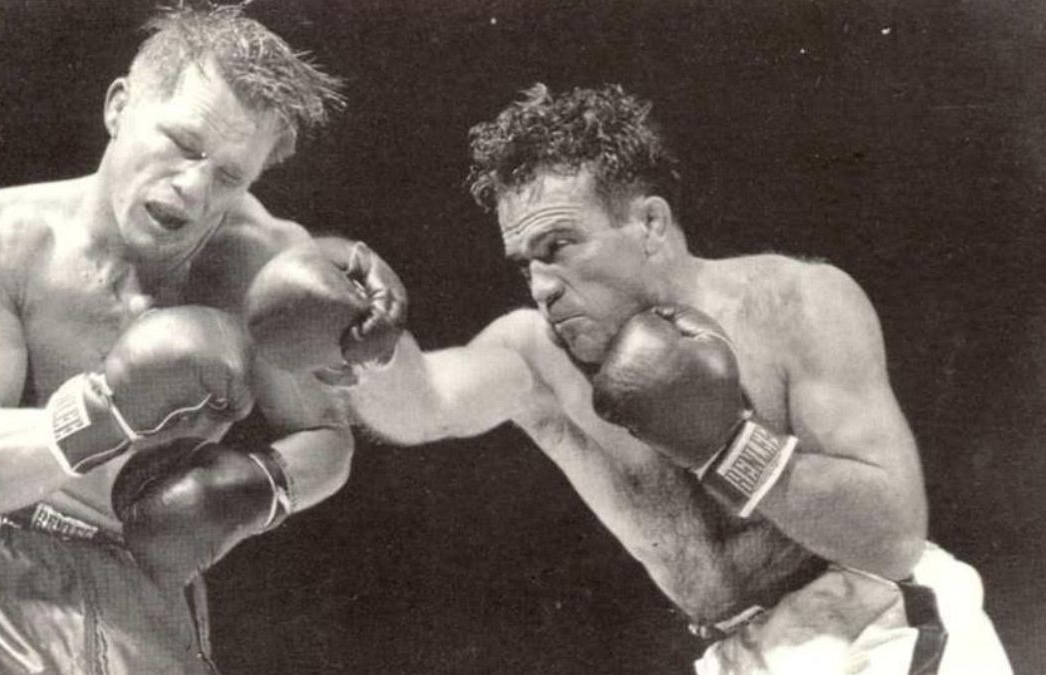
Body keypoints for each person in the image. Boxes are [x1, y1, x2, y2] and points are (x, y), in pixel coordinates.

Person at [342, 84, 1013, 674]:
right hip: (735, 652)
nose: (542, 286)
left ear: (651, 223)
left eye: (559, 247)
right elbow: (423, 405)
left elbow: (893, 536)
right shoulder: (535, 353)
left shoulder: (795, 303)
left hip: (882, 626)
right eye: (525, 264)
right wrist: (361, 344)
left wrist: (726, 447)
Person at [0, 5, 405, 673]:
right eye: (183, 144)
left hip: (142, 587)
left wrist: (259, 486)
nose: (191, 186)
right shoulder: (1, 235)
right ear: (119, 106)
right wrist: (108, 408)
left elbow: (329, 440)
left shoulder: (258, 267)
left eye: (229, 176)